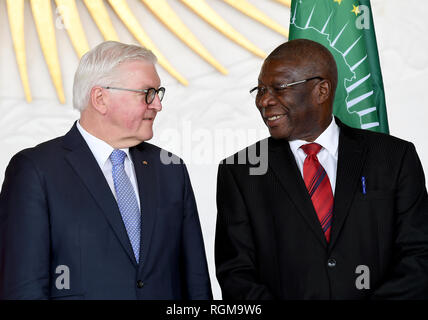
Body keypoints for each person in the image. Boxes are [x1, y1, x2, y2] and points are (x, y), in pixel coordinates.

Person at [215, 39, 428, 299]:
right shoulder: (240, 171)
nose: (264, 101)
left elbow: (419, 256)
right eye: (259, 90)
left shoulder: (394, 158)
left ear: (322, 90)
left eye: (278, 88)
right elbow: (236, 274)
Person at [0, 41, 212, 300]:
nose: (157, 104)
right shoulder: (35, 171)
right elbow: (23, 288)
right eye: (147, 93)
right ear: (100, 98)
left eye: (158, 93)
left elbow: (196, 282)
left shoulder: (171, 169)